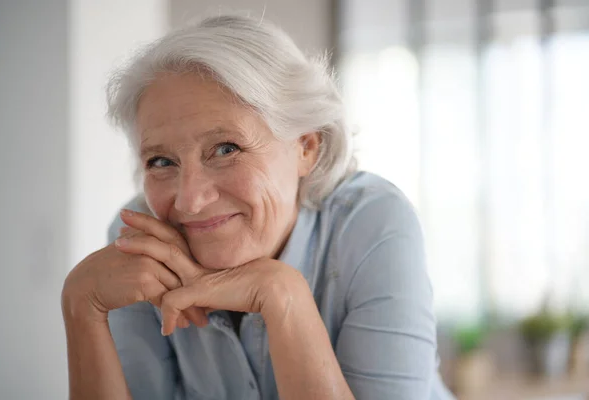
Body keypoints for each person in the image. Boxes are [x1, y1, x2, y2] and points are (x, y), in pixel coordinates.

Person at [62, 14, 454, 400]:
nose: (190, 200)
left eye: (226, 149)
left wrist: (283, 295)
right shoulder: (137, 241)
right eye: (161, 162)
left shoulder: (371, 223)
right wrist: (81, 305)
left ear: (306, 147)